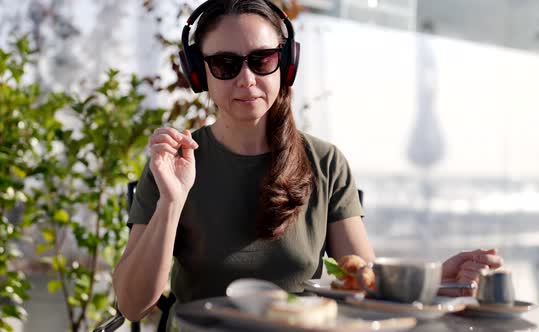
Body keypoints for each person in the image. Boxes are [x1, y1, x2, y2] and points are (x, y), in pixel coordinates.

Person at [112, 0, 503, 326]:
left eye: (261, 60)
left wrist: (435, 282)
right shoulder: (173, 165)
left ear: (286, 64)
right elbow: (132, 304)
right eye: (226, 65)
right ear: (200, 73)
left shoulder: (325, 162)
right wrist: (172, 200)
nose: (246, 79)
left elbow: (363, 280)